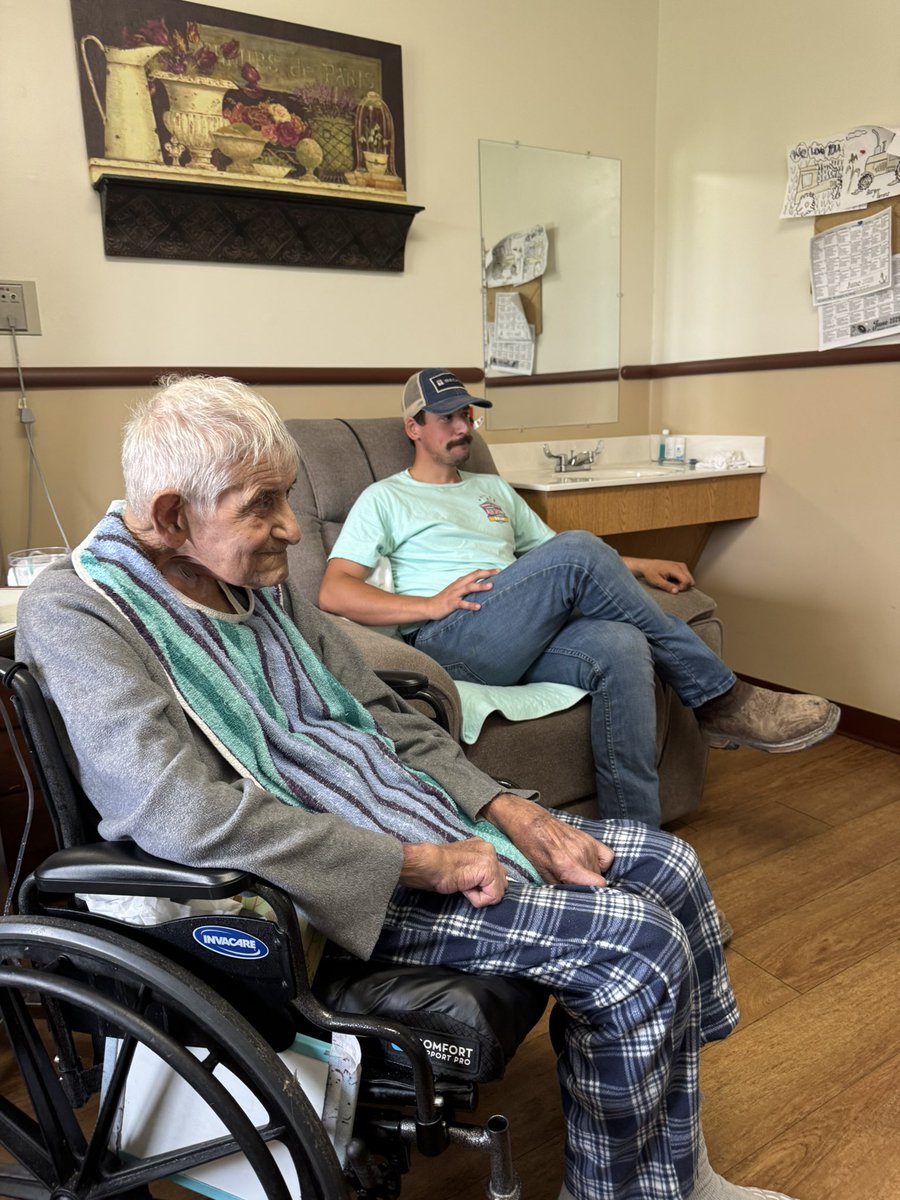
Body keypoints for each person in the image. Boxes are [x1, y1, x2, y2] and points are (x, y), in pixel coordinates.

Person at [16, 375, 797, 1200]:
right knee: (634, 950)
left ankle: (676, 1173)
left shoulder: (258, 584)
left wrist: (505, 806)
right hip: (314, 889)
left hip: (400, 817)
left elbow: (384, 712)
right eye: (263, 505)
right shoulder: (81, 610)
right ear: (173, 516)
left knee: (671, 867)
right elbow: (180, 811)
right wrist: (419, 861)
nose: (290, 526)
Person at [319, 367, 840, 828]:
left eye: (467, 415)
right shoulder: (386, 496)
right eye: (447, 419)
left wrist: (639, 563)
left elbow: (553, 556)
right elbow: (334, 589)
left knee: (621, 643)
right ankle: (720, 698)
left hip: (518, 635)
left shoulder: (493, 491)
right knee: (579, 550)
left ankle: (637, 843)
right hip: (455, 637)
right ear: (414, 427)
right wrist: (428, 606)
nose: (463, 428)